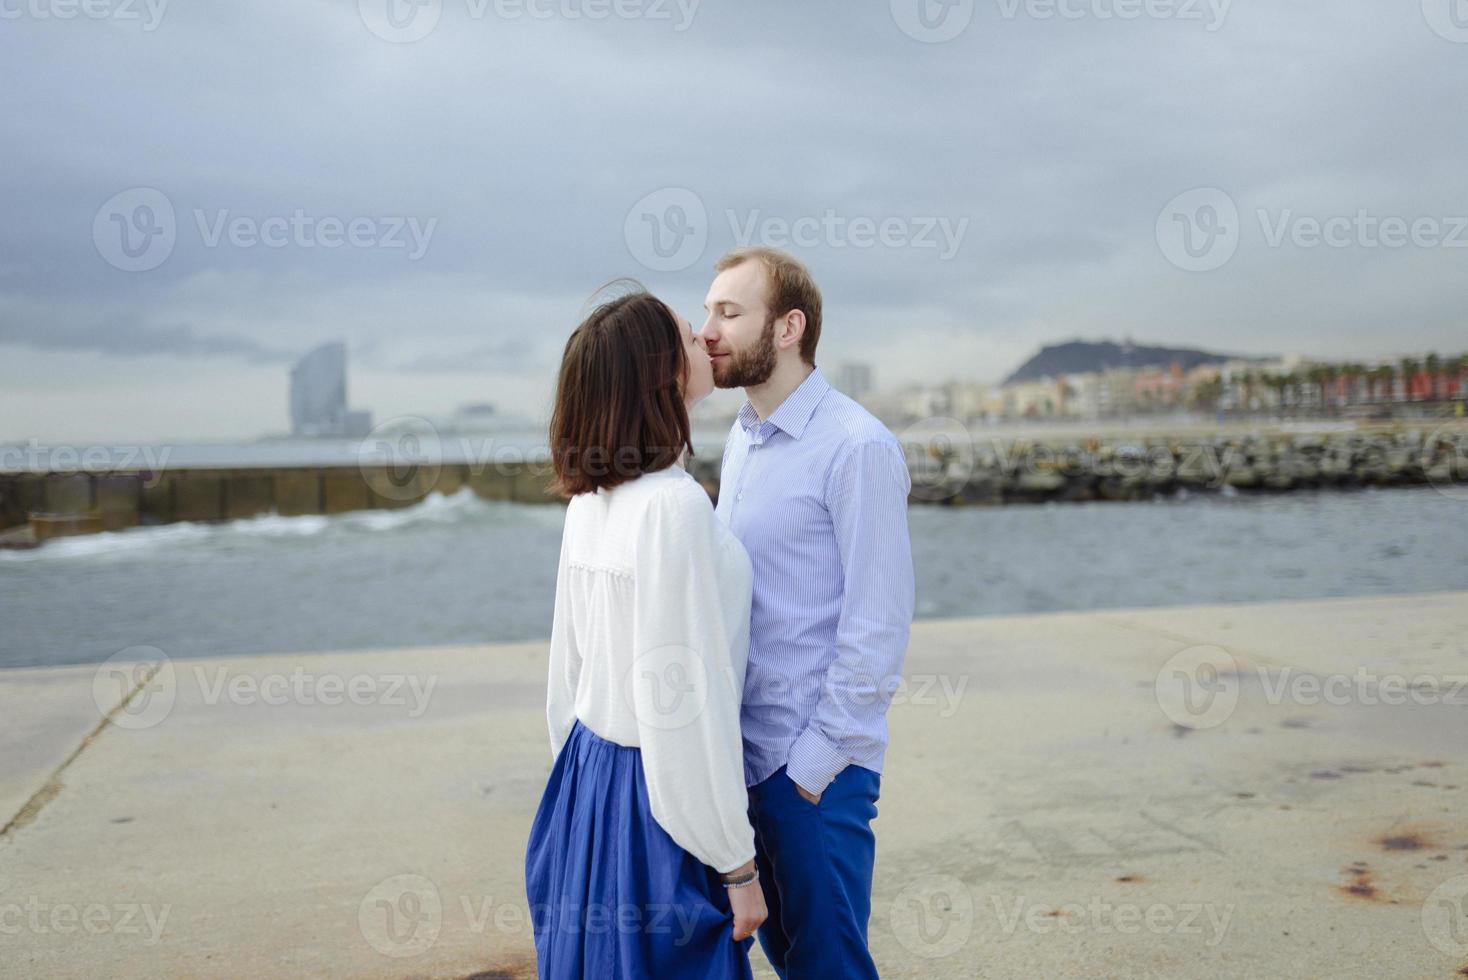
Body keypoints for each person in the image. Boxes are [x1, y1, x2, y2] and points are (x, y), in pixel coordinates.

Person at [525, 288, 767, 978]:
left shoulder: (592, 501)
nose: (707, 343)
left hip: (585, 778)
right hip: (653, 799)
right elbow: (683, 706)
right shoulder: (673, 507)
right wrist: (736, 862)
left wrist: (580, 800)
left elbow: (563, 683)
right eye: (691, 338)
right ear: (660, 373)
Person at [701, 247, 916, 980]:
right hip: (747, 763)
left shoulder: (857, 447)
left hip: (812, 775)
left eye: (729, 312)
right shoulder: (741, 438)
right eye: (708, 312)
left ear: (789, 326)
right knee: (792, 965)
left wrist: (812, 769)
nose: (708, 330)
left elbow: (878, 624)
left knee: (830, 970)